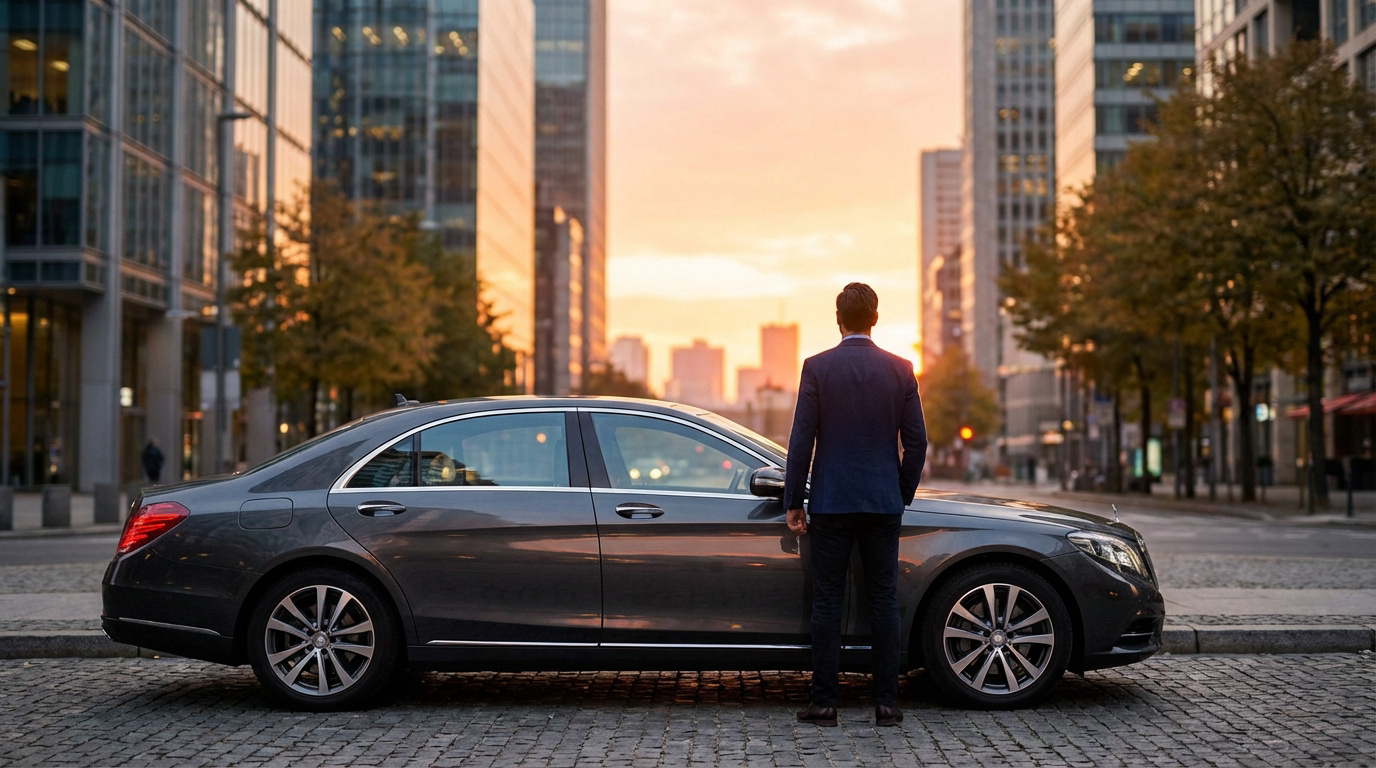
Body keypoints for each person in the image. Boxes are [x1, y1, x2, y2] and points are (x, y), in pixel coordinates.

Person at [784, 282, 927, 728]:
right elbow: (917, 443)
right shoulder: (902, 369)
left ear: (839, 320)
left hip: (830, 502)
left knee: (827, 601)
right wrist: (899, 493)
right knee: (883, 600)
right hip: (883, 503)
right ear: (875, 319)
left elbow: (801, 439)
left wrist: (794, 500)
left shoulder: (817, 368)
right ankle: (887, 704)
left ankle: (824, 703)